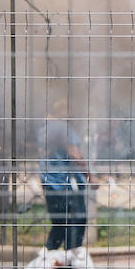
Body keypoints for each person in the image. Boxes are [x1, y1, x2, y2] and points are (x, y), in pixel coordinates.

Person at [39, 99, 92, 252]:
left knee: (60, 224)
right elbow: (74, 154)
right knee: (77, 222)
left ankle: (48, 258)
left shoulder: (45, 129)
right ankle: (71, 259)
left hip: (50, 183)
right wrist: (90, 176)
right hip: (66, 184)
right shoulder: (63, 128)